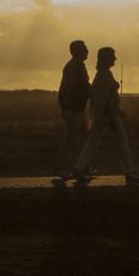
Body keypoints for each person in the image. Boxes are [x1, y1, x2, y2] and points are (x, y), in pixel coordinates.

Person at [72, 46, 139, 185]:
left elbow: (100, 98)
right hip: (109, 116)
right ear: (107, 58)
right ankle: (130, 172)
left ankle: (79, 168)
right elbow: (103, 99)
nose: (115, 59)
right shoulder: (105, 75)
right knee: (122, 144)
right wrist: (112, 114)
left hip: (105, 115)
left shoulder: (101, 75)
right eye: (112, 56)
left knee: (92, 142)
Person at [53, 39, 92, 183]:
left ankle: (81, 168)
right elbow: (83, 87)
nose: (87, 51)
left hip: (74, 108)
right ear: (77, 51)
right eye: (85, 48)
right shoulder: (76, 67)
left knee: (81, 139)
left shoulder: (73, 66)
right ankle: (63, 168)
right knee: (72, 140)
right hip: (74, 109)